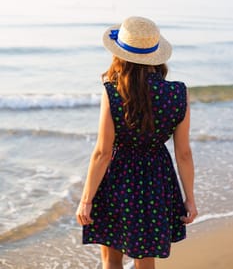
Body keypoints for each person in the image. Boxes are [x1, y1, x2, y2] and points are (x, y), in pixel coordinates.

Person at [76, 16, 197, 269]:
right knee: (145, 255)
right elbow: (183, 153)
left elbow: (102, 152)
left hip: (116, 178)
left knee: (111, 257)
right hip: (156, 178)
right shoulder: (178, 92)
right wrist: (190, 198)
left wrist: (86, 199)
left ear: (119, 54)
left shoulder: (113, 91)